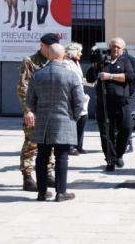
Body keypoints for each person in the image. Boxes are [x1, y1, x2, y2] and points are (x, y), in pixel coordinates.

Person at [26, 43, 86, 202]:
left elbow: (30, 101)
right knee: (62, 157)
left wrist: (36, 113)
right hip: (64, 120)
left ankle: (42, 192)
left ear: (49, 55)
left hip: (43, 122)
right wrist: (74, 117)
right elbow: (79, 102)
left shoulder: (37, 75)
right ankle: (61, 192)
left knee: (42, 157)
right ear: (63, 56)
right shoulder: (71, 76)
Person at [86, 37, 135, 171]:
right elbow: (90, 78)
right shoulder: (103, 60)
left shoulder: (127, 60)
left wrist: (110, 76)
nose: (115, 49)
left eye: (118, 47)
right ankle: (110, 159)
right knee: (106, 132)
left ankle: (119, 153)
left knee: (126, 128)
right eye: (113, 46)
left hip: (122, 102)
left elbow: (130, 77)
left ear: (122, 49)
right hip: (104, 103)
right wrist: (95, 66)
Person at [18, 33, 58, 191]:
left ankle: (48, 173)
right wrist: (27, 109)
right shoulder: (30, 61)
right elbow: (22, 87)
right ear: (41, 45)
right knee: (31, 143)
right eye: (46, 47)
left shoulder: (57, 60)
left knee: (52, 143)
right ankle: (27, 177)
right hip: (35, 110)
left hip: (52, 110)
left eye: (51, 48)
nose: (48, 50)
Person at [63, 42, 91, 155]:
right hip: (72, 97)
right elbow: (68, 81)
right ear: (73, 52)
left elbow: (79, 78)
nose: (81, 53)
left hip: (81, 96)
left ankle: (79, 145)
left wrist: (91, 82)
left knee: (83, 119)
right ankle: (70, 146)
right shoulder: (66, 63)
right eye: (79, 51)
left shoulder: (76, 63)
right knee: (73, 122)